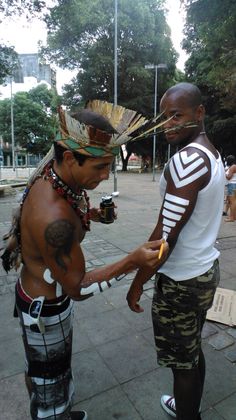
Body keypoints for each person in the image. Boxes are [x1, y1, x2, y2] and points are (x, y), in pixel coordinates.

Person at [1, 102, 168, 420]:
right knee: (51, 390)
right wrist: (131, 260)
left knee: (46, 374)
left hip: (37, 296)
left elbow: (63, 229)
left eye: (109, 166)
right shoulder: (54, 218)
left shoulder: (52, 177)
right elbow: (77, 287)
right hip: (46, 310)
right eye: (99, 167)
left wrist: (90, 215)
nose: (105, 176)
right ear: (68, 157)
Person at [126, 82, 225, 420]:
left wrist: (138, 280)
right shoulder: (212, 153)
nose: (167, 125)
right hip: (203, 272)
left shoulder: (188, 160)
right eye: (164, 117)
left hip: (181, 281)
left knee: (182, 364)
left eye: (176, 116)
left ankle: (187, 415)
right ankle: (189, 410)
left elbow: (165, 237)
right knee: (192, 351)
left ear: (199, 113)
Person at [225, 154, 236, 222]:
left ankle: (232, 217)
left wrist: (224, 174)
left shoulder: (232, 167)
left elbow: (229, 177)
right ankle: (234, 216)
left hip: (232, 185)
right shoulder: (233, 166)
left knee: (232, 202)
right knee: (232, 201)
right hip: (232, 185)